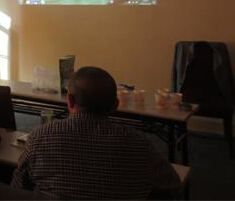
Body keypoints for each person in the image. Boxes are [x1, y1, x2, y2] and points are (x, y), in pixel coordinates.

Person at [11, 67, 182, 200]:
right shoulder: (139, 144)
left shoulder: (40, 136)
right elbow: (173, 186)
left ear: (70, 101)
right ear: (115, 105)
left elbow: (17, 187)